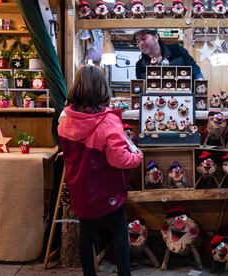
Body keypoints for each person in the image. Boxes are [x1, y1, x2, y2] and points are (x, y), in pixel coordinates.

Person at [58, 65, 143, 276]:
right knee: (119, 232)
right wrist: (137, 157)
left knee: (86, 237)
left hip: (80, 188)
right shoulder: (108, 120)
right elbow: (119, 159)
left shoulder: (65, 118)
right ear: (103, 88)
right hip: (107, 190)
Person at [134, 29, 204, 80]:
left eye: (143, 38)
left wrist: (200, 80)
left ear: (155, 37)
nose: (141, 43)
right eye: (138, 41)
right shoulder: (140, 66)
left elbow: (193, 67)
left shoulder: (177, 50)